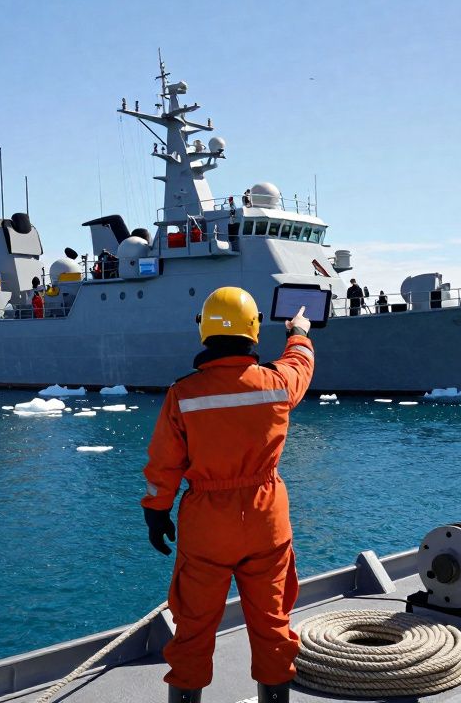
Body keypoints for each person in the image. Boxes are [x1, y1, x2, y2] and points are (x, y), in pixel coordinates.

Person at [142, 287, 315, 703]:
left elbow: (163, 463)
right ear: (254, 328)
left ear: (204, 331)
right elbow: (300, 365)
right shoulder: (276, 384)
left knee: (194, 628)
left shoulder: (183, 394)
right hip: (266, 517)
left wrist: (156, 512)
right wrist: (300, 333)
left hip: (207, 524)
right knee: (273, 625)